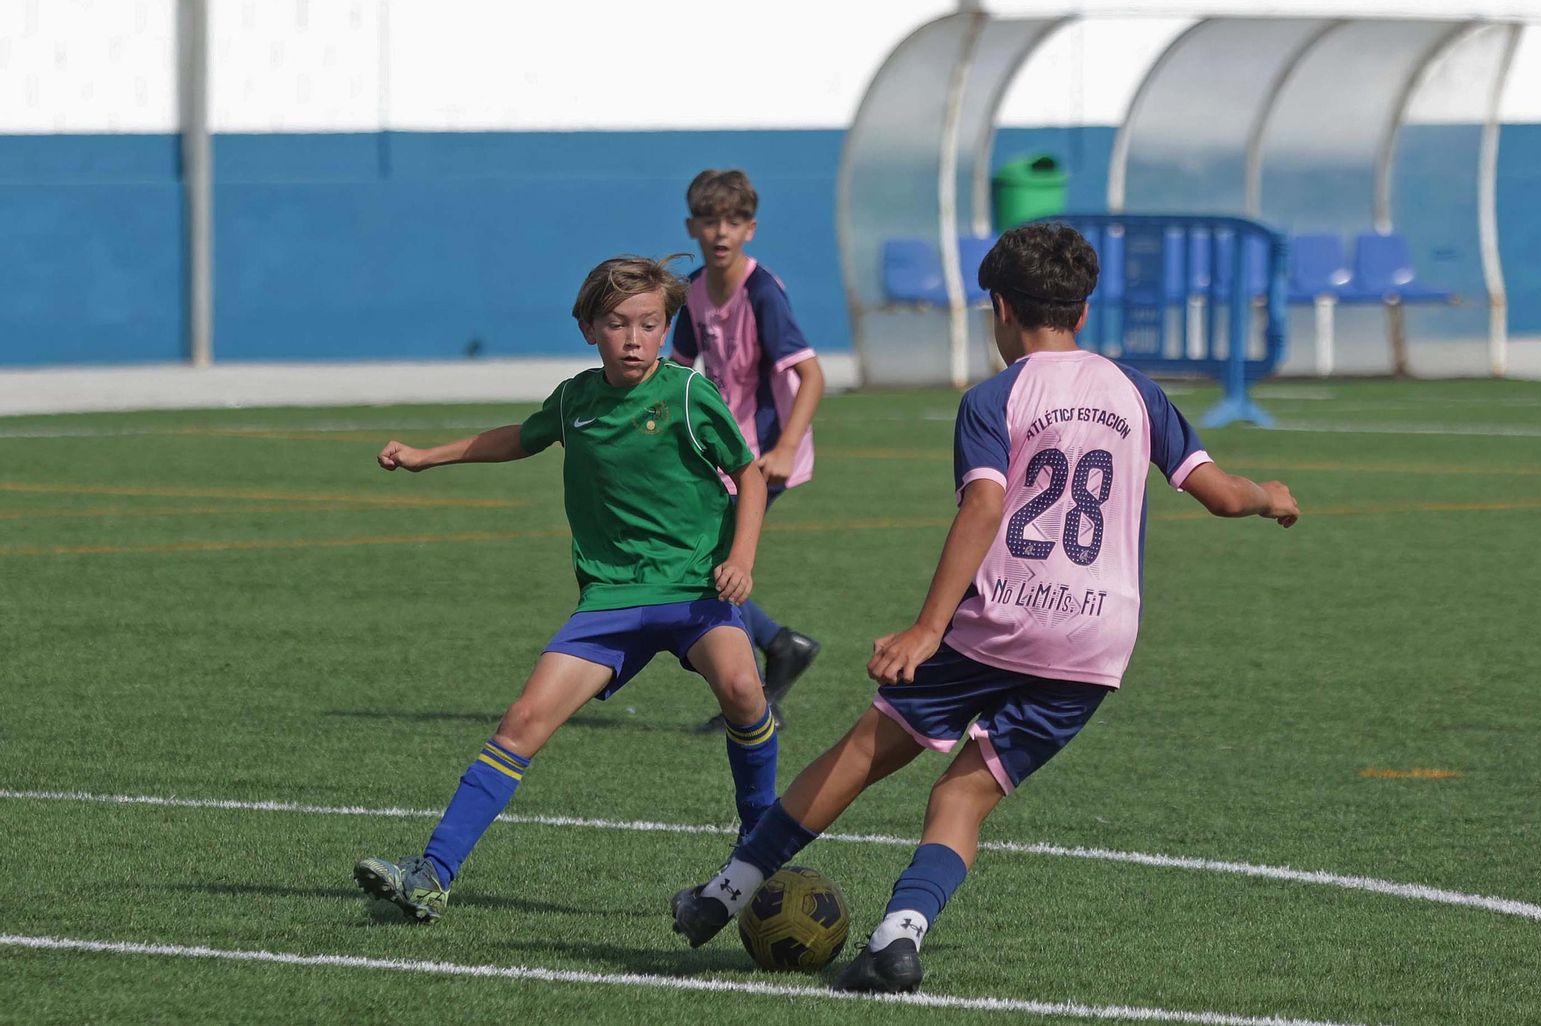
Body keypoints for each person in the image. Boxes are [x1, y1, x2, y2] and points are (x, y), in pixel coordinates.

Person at [667, 222, 1300, 991]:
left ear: (999, 307)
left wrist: (928, 628)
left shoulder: (996, 397)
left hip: (999, 622)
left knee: (866, 749)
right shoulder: (1136, 390)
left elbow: (984, 507)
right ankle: (898, 940)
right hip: (1096, 643)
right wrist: (1272, 498)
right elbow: (1223, 494)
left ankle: (723, 894)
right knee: (966, 790)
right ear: (1084, 310)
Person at [354, 255, 780, 923]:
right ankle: (431, 873)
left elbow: (749, 475)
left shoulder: (690, 396)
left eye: (650, 324)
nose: (634, 339)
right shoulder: (576, 400)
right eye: (617, 324)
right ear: (588, 329)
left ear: (667, 330)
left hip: (694, 590)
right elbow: (519, 437)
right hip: (610, 598)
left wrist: (742, 558)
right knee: (523, 721)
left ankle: (761, 843)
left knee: (743, 687)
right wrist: (424, 455)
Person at [674, 169, 824, 732]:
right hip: (725, 452)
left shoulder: (762, 292)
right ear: (692, 226)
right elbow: (681, 371)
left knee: (712, 566)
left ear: (750, 229)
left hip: (762, 458)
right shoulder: (691, 291)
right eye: (710, 220)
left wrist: (785, 448)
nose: (720, 231)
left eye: (733, 221)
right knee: (704, 565)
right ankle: (780, 648)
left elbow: (811, 376)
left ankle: (760, 686)